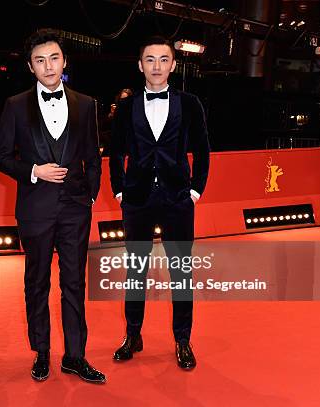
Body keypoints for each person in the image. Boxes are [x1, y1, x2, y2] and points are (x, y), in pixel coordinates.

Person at [0, 29, 105, 384]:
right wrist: (32, 170)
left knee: (74, 283)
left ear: (64, 61)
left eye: (54, 58)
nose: (48, 65)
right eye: (40, 60)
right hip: (35, 209)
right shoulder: (14, 105)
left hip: (75, 209)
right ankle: (41, 352)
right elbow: (0, 157)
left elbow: (93, 156)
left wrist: (89, 197)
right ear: (31, 66)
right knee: (36, 282)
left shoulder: (87, 104)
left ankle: (75, 356)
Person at [109, 36, 210, 370]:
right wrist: (120, 190)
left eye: (163, 59)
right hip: (137, 200)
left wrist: (195, 191)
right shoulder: (126, 106)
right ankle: (133, 334)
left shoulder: (190, 103)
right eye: (149, 59)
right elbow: (116, 152)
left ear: (173, 65)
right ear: (140, 65)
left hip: (178, 199)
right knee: (135, 271)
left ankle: (183, 339)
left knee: (181, 273)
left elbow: (204, 151)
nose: (156, 66)